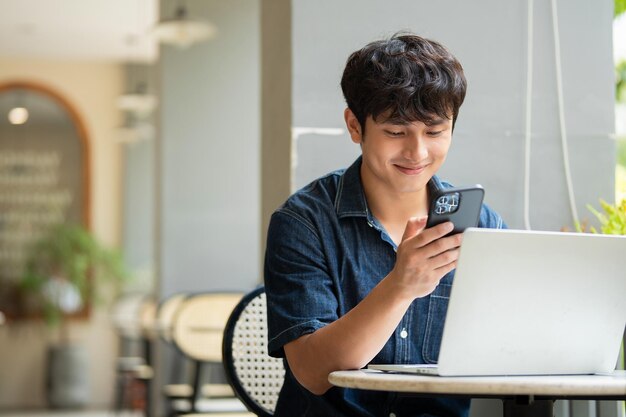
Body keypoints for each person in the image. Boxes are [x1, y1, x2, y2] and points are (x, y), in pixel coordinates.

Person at [264, 32, 506, 417]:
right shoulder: (303, 223)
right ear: (355, 126)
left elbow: (510, 344)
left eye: (435, 131)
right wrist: (400, 286)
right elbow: (312, 372)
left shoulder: (479, 225)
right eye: (395, 132)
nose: (417, 152)